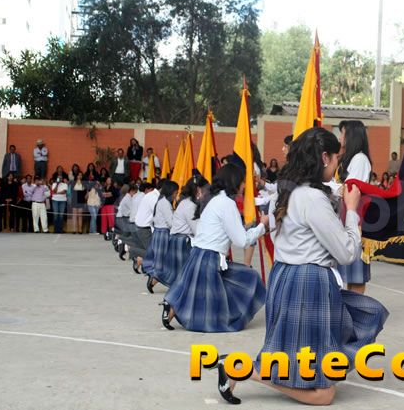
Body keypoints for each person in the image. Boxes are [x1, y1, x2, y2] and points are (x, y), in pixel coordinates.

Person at [216, 128, 388, 405]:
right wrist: (352, 211)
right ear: (324, 157)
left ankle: (247, 368)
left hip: (285, 277)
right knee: (323, 393)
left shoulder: (285, 191)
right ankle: (242, 368)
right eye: (336, 158)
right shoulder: (312, 198)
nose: (337, 165)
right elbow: (346, 252)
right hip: (309, 283)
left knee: (297, 359)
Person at [160, 164, 267, 332]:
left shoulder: (214, 200)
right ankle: (174, 306)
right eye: (242, 182)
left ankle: (172, 305)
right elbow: (241, 241)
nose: (244, 186)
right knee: (249, 278)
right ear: (234, 182)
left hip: (198, 254)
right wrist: (262, 226)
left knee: (196, 294)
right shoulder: (227, 204)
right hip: (210, 258)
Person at [335, 119, 372, 294]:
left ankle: (355, 307)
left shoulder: (360, 159)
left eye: (342, 134)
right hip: (347, 217)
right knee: (348, 274)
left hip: (356, 220)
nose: (340, 138)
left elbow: (350, 189)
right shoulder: (349, 159)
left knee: (356, 275)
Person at [162, 178, 204, 287]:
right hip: (183, 241)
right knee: (185, 274)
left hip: (178, 239)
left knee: (180, 273)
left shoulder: (186, 202)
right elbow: (197, 230)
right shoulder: (190, 206)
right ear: (197, 190)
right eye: (202, 190)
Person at [143, 180, 179, 294]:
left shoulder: (161, 201)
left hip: (158, 232)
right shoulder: (165, 203)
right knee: (164, 260)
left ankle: (155, 278)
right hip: (164, 233)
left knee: (161, 259)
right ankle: (154, 278)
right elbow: (170, 222)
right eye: (175, 193)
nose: (176, 195)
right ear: (171, 192)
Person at [131, 181, 160, 273]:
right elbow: (157, 213)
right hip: (144, 227)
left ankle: (142, 263)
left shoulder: (150, 196)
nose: (144, 192)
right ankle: (132, 251)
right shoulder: (153, 197)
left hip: (141, 225)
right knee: (152, 252)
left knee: (150, 250)